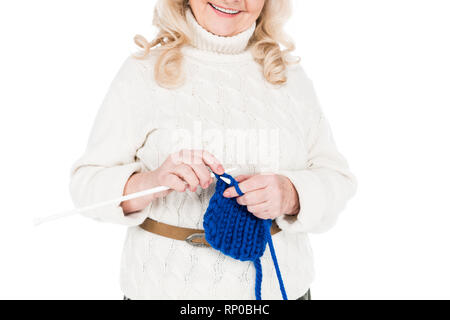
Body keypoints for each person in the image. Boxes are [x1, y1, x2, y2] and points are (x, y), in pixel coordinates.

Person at [69, 0, 357, 300]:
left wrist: (291, 194)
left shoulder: (289, 77)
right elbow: (85, 187)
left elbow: (338, 180)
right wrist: (151, 182)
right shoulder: (142, 72)